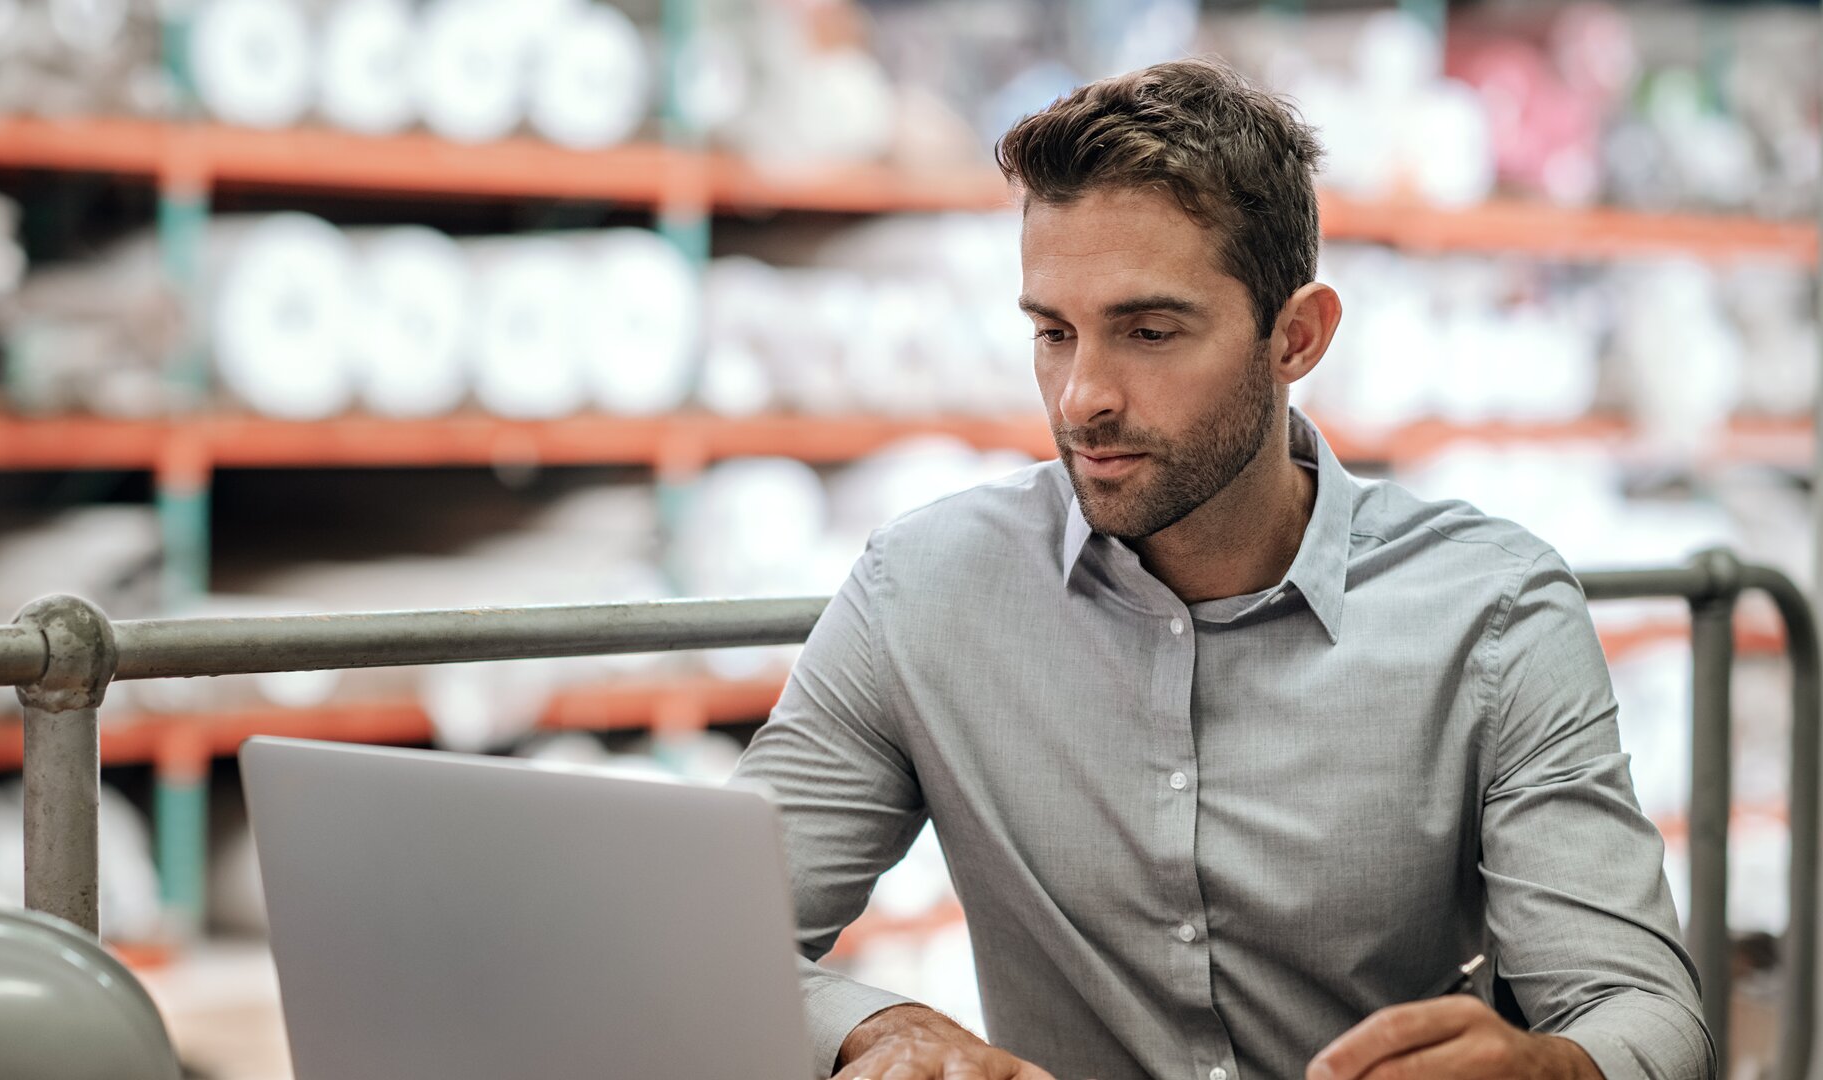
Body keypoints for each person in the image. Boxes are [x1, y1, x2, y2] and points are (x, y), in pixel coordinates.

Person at [730, 58, 1712, 1080]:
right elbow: (717, 935)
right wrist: (872, 1029)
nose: (1081, 397)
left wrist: (1556, 1069)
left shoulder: (1492, 615)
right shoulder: (923, 590)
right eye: (1053, 333)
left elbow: (1642, 1009)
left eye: (1149, 332)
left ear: (1297, 337)